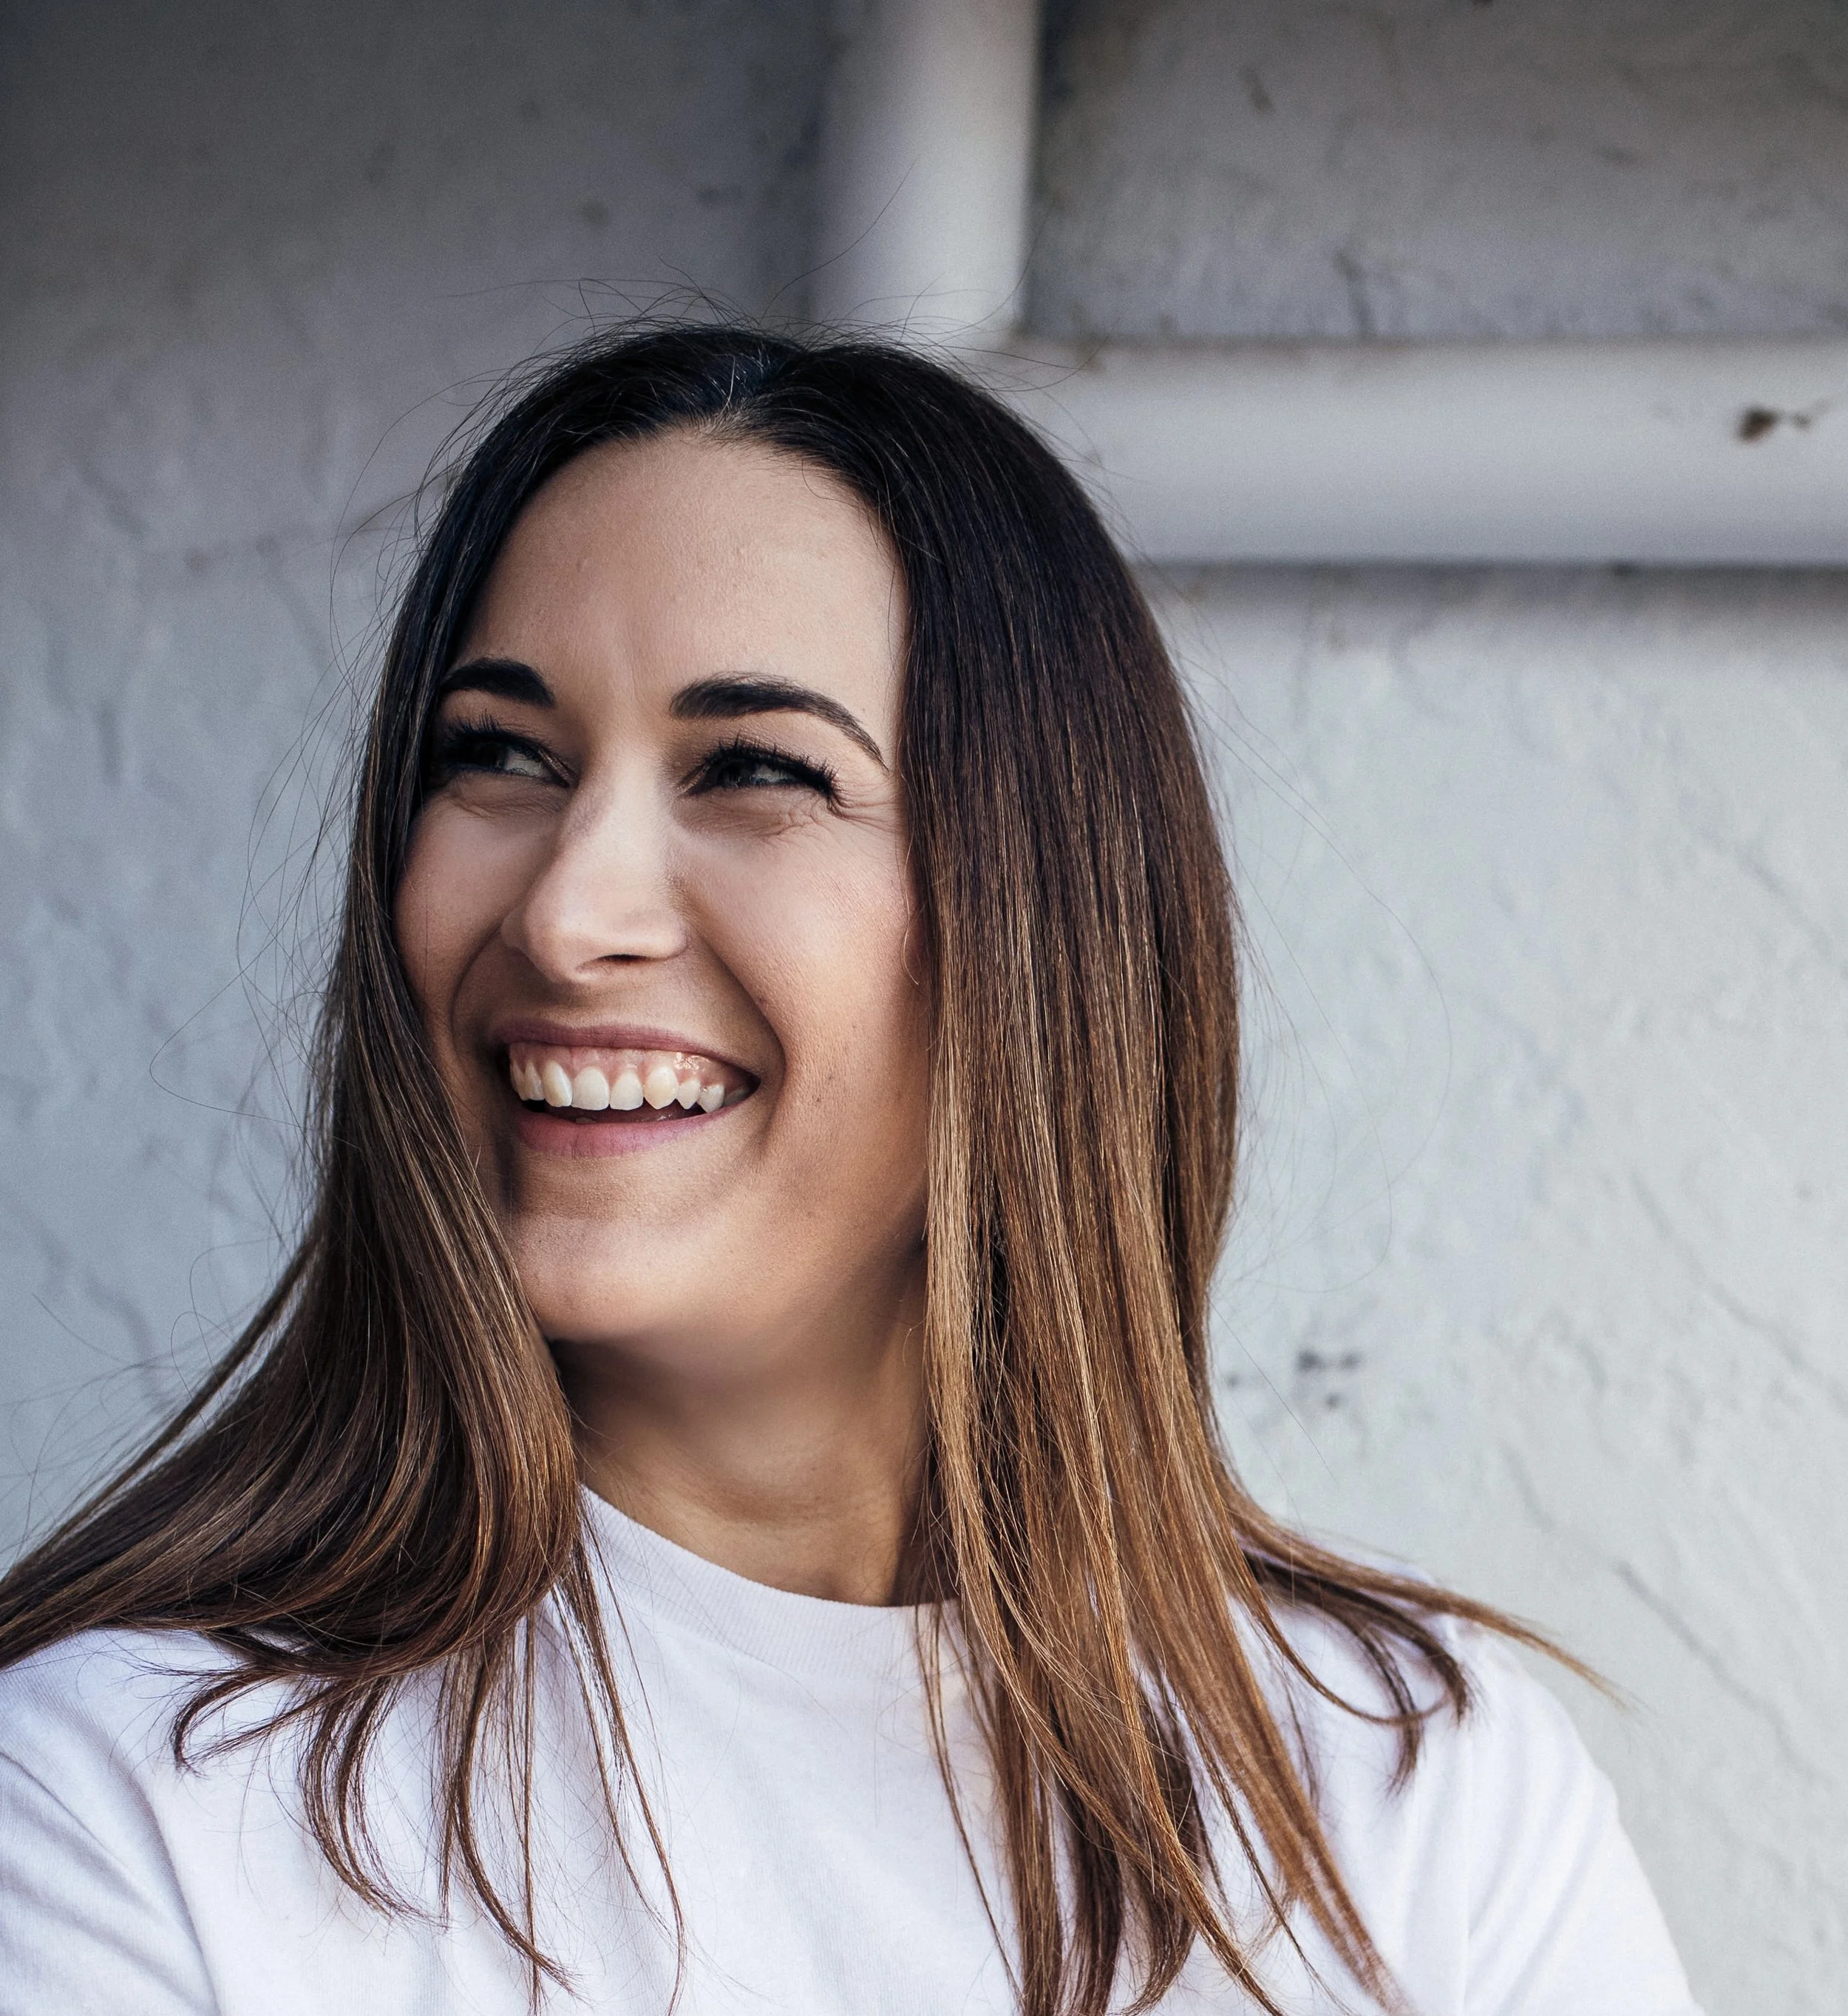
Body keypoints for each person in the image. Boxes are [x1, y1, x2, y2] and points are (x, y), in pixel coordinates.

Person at [0, 326, 1699, 2015]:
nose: (567, 911)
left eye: (755, 770)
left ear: (1043, 929)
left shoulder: (1411, 1795)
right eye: (499, 755)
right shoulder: (115, 1797)